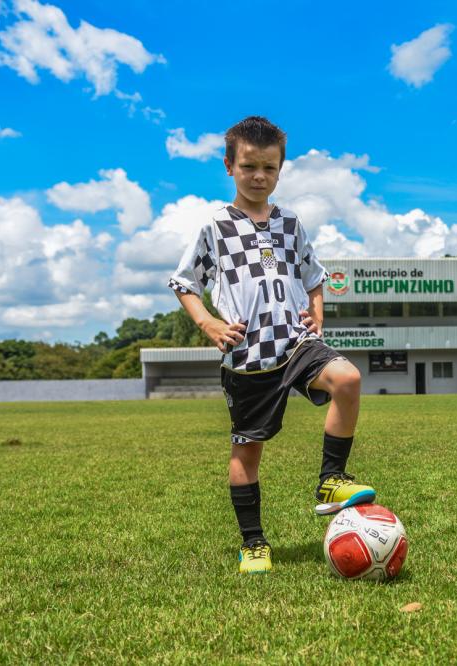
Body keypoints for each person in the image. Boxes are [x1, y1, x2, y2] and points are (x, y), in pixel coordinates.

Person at [168, 116, 375, 574]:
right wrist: (208, 324)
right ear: (229, 166)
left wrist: (317, 311)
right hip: (248, 357)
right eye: (249, 167)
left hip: (295, 342)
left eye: (269, 168)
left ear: (280, 169)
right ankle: (254, 543)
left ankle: (331, 480)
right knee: (248, 450)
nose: (259, 176)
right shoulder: (215, 227)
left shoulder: (290, 222)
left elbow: (314, 274)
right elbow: (184, 282)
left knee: (347, 378)